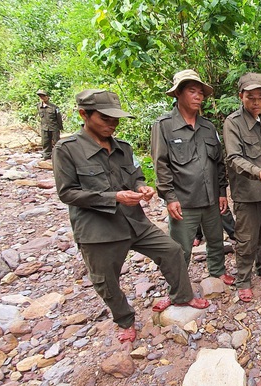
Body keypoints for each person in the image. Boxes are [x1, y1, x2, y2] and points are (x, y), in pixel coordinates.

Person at [53, 89, 208, 344]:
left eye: (115, 120)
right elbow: (67, 193)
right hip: (98, 229)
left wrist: (140, 187)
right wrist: (114, 197)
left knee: (171, 250)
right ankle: (124, 319)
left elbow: (135, 175)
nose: (112, 125)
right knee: (106, 280)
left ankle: (182, 295)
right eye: (105, 119)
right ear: (84, 114)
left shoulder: (123, 147)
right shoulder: (67, 149)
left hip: (134, 220)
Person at [151, 69, 232, 285]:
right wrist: (169, 197)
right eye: (192, 91)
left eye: (201, 93)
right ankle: (177, 286)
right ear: (178, 93)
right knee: (180, 247)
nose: (198, 97)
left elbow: (218, 162)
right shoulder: (164, 126)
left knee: (216, 239)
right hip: (184, 200)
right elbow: (161, 164)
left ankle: (217, 271)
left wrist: (222, 192)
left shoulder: (207, 127)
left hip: (211, 198)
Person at [223, 73, 261, 302]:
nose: (256, 102)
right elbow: (234, 158)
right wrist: (258, 173)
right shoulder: (233, 123)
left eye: (260, 97)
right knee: (246, 238)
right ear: (241, 97)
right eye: (250, 97)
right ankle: (243, 280)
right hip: (247, 192)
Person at [36, 89, 63, 160]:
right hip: (44, 128)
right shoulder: (39, 106)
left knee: (57, 143)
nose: (42, 97)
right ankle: (46, 156)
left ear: (47, 97)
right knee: (45, 142)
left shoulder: (54, 107)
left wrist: (60, 128)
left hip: (54, 127)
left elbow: (59, 118)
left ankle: (59, 156)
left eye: (43, 96)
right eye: (40, 96)